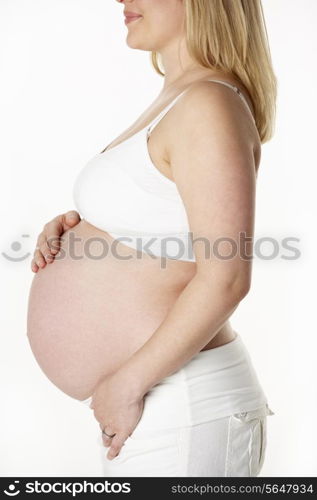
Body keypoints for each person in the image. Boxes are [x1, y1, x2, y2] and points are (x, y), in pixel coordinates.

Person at [28, 0, 277, 477]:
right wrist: (81, 228)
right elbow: (162, 222)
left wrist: (126, 386)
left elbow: (226, 278)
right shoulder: (182, 96)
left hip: (177, 405)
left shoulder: (208, 102)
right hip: (156, 405)